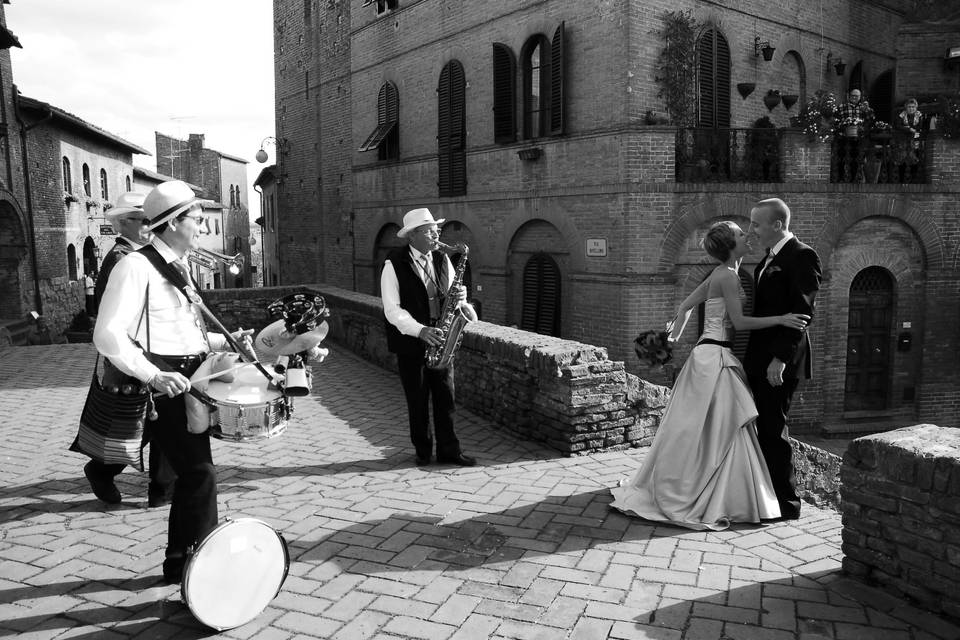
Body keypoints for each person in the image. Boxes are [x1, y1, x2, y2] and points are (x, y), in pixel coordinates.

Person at [93, 180, 247, 584]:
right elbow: (107, 334)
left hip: (191, 378)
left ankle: (182, 560)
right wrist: (153, 374)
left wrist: (226, 340)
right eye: (196, 219)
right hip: (164, 386)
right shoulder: (135, 266)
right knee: (200, 474)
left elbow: (183, 329)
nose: (200, 226)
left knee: (193, 474)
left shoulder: (178, 267)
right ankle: (192, 563)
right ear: (174, 222)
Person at [610, 221, 810, 530]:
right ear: (731, 245)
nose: (748, 236)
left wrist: (670, 337)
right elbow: (741, 323)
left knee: (706, 427)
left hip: (708, 352)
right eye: (742, 235)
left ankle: (707, 484)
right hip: (715, 355)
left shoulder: (720, 273)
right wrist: (782, 318)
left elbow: (686, 305)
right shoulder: (727, 277)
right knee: (722, 426)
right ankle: (722, 493)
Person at [82, 191, 177, 509]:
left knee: (160, 418)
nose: (152, 226)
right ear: (124, 223)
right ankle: (101, 470)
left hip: (155, 348)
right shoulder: (123, 259)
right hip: (135, 353)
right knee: (144, 423)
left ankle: (162, 490)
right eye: (144, 220)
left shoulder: (142, 254)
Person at [745, 198, 822, 521]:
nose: (752, 230)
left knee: (774, 427)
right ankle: (766, 496)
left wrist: (779, 359)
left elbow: (803, 312)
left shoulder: (802, 255)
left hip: (780, 361)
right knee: (764, 425)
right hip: (759, 355)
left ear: (777, 225)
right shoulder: (768, 258)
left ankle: (786, 504)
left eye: (756, 224)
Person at [380, 208, 475, 467]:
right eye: (430, 230)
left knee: (446, 400)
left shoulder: (443, 260)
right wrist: (421, 330)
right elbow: (392, 310)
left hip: (442, 339)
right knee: (418, 401)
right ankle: (423, 452)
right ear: (412, 236)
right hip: (412, 342)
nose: (436, 234)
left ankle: (449, 451)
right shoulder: (394, 263)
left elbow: (454, 297)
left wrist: (463, 301)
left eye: (436, 229)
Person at [833, 88, 873, 181]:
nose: (854, 97)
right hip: (844, 137)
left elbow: (870, 120)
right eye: (852, 95)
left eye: (856, 96)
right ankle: (840, 178)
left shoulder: (864, 107)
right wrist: (843, 126)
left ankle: (853, 179)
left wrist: (867, 111)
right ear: (849, 96)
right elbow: (835, 120)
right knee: (841, 158)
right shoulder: (842, 107)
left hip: (858, 138)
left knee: (856, 159)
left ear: (860, 97)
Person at [894, 98, 924, 183]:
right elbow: (898, 126)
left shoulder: (919, 115)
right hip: (902, 139)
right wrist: (909, 129)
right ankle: (901, 180)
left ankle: (913, 179)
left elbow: (920, 126)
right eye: (909, 107)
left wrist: (907, 128)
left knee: (914, 158)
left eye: (913, 107)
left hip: (915, 140)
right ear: (906, 108)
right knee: (902, 158)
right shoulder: (902, 115)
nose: (911, 108)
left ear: (916, 108)